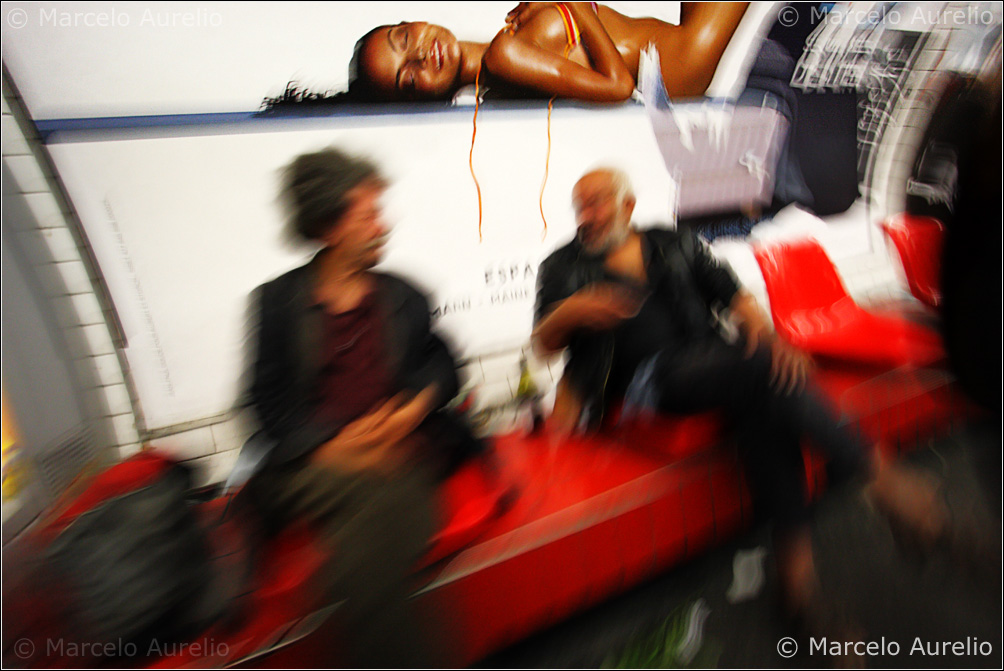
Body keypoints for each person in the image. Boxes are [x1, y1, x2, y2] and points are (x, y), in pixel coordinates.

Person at [532, 167, 949, 643]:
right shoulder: (562, 266)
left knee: (766, 400)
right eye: (580, 205)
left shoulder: (671, 241)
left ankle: (798, 588)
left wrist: (762, 331)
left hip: (710, 359)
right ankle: (884, 482)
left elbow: (733, 296)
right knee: (760, 371)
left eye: (598, 201)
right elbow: (544, 342)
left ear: (627, 206)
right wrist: (573, 311)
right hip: (641, 383)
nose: (588, 215)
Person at [245, 147, 478, 666]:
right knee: (385, 498)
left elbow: (445, 367)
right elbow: (266, 406)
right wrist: (331, 449)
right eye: (368, 213)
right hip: (312, 465)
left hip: (399, 450)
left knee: (369, 534)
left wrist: (412, 410)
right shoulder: (277, 304)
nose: (382, 225)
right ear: (328, 226)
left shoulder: (403, 295)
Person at [348, 2, 749, 103]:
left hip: (679, 44)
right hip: (684, 61)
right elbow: (619, 86)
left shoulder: (506, 41)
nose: (420, 54)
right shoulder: (503, 57)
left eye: (403, 38)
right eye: (408, 77)